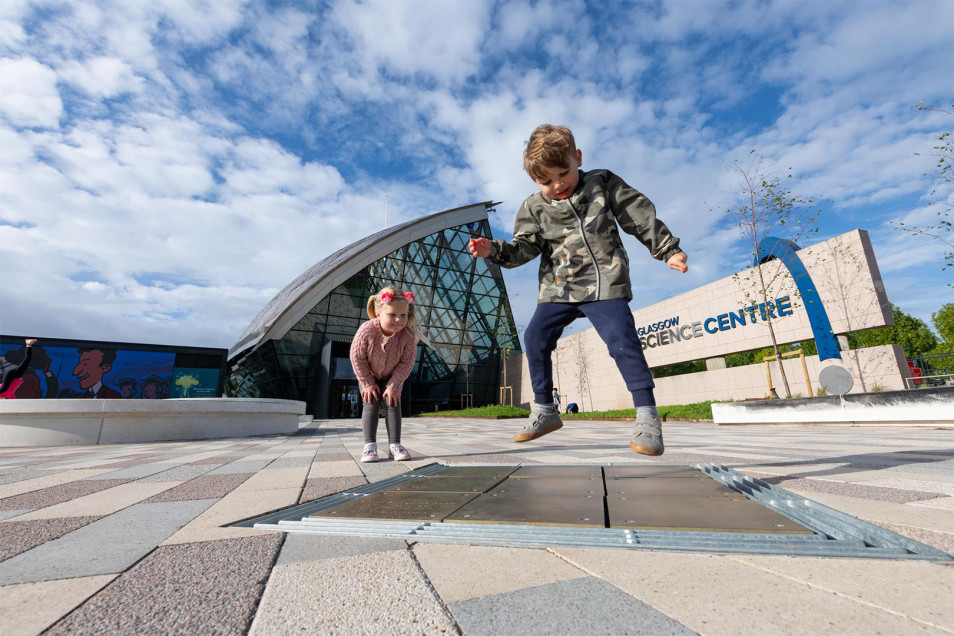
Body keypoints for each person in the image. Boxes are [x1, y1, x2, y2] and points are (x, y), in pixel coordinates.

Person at [468, 124, 688, 456]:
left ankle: (647, 417)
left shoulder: (602, 183)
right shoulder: (533, 208)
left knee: (622, 341)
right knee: (535, 338)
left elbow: (637, 215)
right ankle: (544, 410)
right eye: (546, 181)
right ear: (534, 181)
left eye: (563, 173)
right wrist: (492, 250)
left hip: (604, 281)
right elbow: (523, 248)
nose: (557, 185)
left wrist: (668, 249)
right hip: (559, 287)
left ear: (578, 158)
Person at [349, 286, 424, 463]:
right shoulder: (366, 330)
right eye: (392, 315)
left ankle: (395, 445)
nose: (398, 320)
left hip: (393, 375)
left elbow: (407, 362)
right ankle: (369, 445)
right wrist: (366, 382)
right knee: (371, 403)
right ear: (378, 312)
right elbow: (357, 357)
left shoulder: (408, 336)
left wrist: (394, 385)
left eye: (403, 315)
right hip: (368, 374)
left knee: (393, 404)